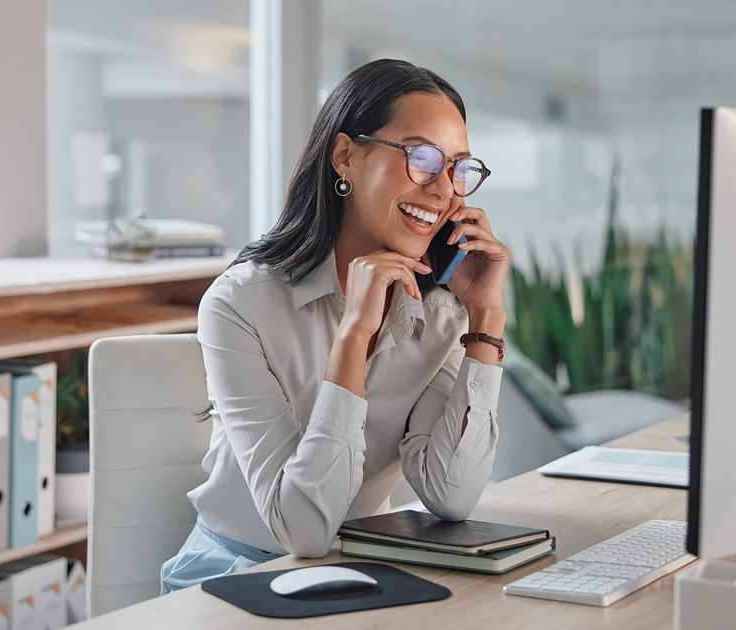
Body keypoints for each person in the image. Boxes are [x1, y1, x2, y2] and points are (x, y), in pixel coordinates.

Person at [160, 59, 510, 593]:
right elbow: (303, 530)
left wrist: (486, 319)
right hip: (235, 574)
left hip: (364, 569)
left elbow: (451, 494)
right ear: (345, 155)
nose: (444, 191)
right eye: (421, 158)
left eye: (459, 168)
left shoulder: (444, 314)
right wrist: (353, 336)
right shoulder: (239, 304)